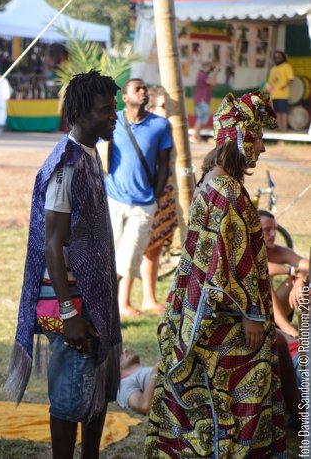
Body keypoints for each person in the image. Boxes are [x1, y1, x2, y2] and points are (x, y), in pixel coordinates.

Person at [144, 91, 286, 457]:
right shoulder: (228, 192)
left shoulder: (211, 180)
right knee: (241, 396)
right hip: (225, 320)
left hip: (197, 313)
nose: (263, 150)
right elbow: (232, 261)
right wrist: (253, 314)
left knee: (205, 399)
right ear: (241, 139)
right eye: (259, 139)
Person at [5, 70, 122, 459]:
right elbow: (53, 246)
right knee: (71, 398)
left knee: (96, 390)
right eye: (106, 110)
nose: (114, 115)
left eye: (114, 107)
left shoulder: (90, 155)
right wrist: (71, 311)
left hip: (94, 299)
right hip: (72, 304)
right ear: (80, 113)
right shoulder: (65, 166)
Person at [105, 78, 172, 318]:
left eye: (145, 88)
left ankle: (108, 304)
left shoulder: (160, 125)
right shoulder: (113, 120)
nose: (143, 91)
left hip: (143, 203)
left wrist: (157, 194)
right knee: (107, 254)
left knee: (130, 257)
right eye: (138, 89)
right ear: (125, 97)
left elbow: (164, 164)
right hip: (112, 199)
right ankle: (109, 307)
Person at [140, 87, 178, 313]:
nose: (169, 111)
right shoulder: (151, 128)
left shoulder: (169, 129)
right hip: (149, 194)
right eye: (164, 106)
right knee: (140, 248)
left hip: (166, 195)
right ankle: (123, 301)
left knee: (154, 249)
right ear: (153, 108)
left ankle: (149, 297)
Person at [258, 209, 309, 337]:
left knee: (303, 280)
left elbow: (306, 265)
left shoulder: (279, 251)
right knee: (265, 282)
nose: (273, 234)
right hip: (253, 315)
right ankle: (292, 333)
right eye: (267, 230)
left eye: (274, 229)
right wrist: (290, 270)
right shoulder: (247, 251)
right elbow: (261, 268)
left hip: (275, 312)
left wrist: (299, 282)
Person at [117, 349, 157, 415]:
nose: (125, 351)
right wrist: (156, 373)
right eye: (120, 353)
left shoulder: (144, 371)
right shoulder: (124, 383)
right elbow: (144, 407)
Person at [191, 59, 219, 143]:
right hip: (202, 99)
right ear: (206, 67)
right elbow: (213, 82)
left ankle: (197, 136)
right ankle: (194, 136)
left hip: (202, 99)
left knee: (203, 118)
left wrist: (214, 73)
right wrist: (215, 72)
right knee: (202, 118)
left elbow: (214, 82)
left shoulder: (203, 74)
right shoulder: (202, 74)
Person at [265, 50, 294, 132]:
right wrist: (268, 86)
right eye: (275, 57)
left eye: (279, 57)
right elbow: (270, 82)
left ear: (283, 57)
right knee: (276, 112)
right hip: (273, 95)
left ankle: (284, 128)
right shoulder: (273, 69)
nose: (277, 58)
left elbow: (291, 79)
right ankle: (279, 128)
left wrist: (284, 86)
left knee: (283, 112)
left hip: (282, 95)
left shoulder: (287, 66)